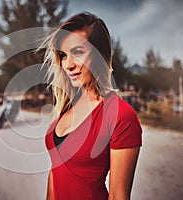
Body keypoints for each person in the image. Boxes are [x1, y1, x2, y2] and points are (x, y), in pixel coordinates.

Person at [41, 12, 142, 200]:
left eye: (78, 52)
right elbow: (54, 175)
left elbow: (118, 195)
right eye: (63, 55)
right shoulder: (66, 107)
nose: (68, 64)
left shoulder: (120, 115)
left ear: (101, 55)